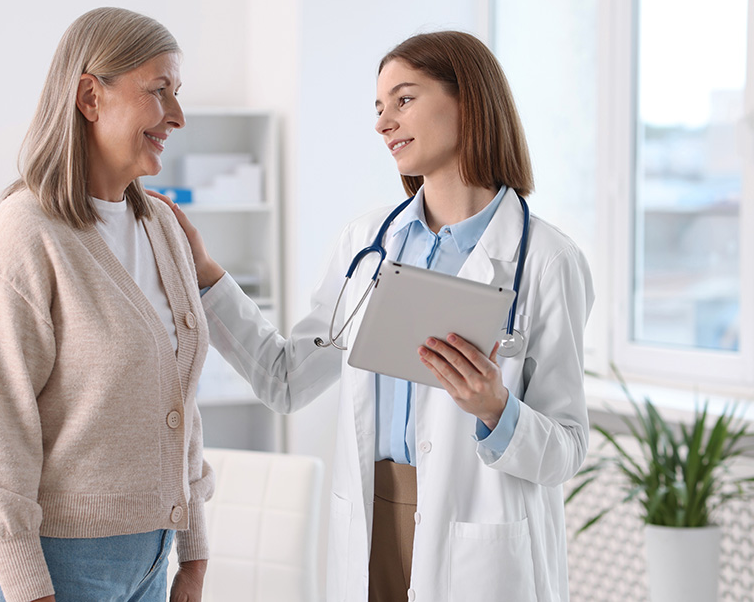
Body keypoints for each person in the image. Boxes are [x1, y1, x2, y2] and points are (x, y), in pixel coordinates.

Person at [157, 31, 593, 601]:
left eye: (404, 100)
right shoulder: (368, 243)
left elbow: (567, 448)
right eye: (379, 108)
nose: (384, 123)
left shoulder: (547, 260)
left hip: (478, 538)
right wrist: (207, 274)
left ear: (470, 101)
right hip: (370, 518)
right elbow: (285, 379)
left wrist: (497, 408)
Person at [0, 7, 213, 602]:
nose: (177, 115)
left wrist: (192, 555)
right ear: (91, 96)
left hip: (154, 562)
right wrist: (28, 586)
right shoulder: (23, 235)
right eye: (159, 90)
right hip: (52, 570)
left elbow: (181, 409)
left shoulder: (163, 227)